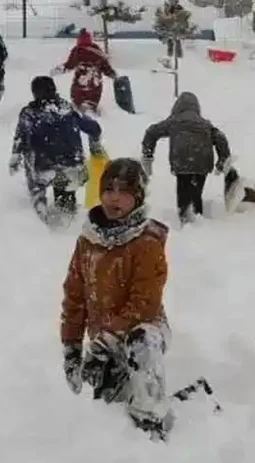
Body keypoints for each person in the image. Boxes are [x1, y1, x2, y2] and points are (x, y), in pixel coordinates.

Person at [60, 158, 173, 441]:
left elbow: (145, 303)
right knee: (107, 409)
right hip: (101, 342)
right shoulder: (88, 241)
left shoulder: (146, 242)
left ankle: (152, 418)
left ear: (137, 198)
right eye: (108, 189)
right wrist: (72, 347)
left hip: (144, 330)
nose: (114, 198)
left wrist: (105, 342)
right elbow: (75, 296)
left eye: (124, 191)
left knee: (142, 342)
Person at [10, 76, 104, 225]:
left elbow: (21, 138)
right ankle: (66, 214)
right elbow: (94, 128)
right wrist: (95, 143)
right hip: (73, 165)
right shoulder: (68, 109)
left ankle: (39, 203)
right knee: (66, 188)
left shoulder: (30, 113)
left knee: (30, 156)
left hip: (45, 166)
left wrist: (15, 158)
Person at [141, 92, 231, 223]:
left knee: (183, 191)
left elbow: (152, 132)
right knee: (196, 191)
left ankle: (186, 219)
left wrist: (148, 154)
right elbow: (220, 138)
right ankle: (197, 216)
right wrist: (222, 160)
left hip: (181, 161)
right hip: (203, 161)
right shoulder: (205, 123)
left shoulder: (174, 120)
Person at [53, 29, 116, 113]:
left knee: (78, 107)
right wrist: (113, 75)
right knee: (91, 105)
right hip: (95, 84)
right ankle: (93, 113)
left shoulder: (77, 50)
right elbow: (105, 66)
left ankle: (81, 116)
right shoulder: (97, 50)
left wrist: (57, 70)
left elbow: (69, 65)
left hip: (80, 85)